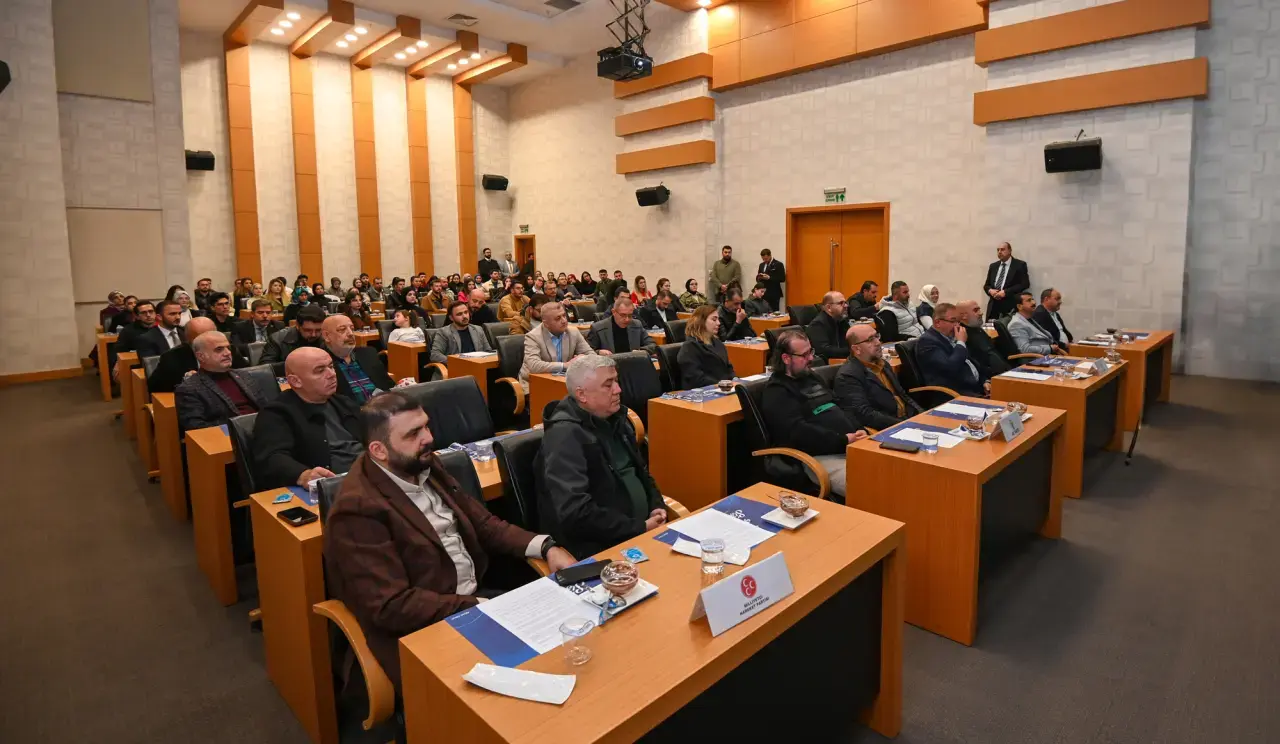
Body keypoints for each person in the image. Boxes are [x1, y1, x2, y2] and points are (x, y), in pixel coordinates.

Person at [323, 392, 575, 690]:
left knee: (571, 645)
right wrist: (480, 606)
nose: (429, 438)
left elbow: (484, 525)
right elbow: (392, 606)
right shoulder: (357, 510)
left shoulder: (423, 465)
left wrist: (546, 546)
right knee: (536, 684)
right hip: (425, 630)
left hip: (474, 602)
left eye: (426, 426)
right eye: (413, 434)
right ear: (379, 450)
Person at [536, 355, 668, 558]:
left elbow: (641, 472)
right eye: (608, 385)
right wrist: (639, 527)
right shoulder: (564, 437)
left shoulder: (616, 419)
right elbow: (576, 513)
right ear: (582, 395)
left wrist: (656, 506)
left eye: (616, 381)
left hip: (642, 531)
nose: (618, 389)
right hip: (602, 547)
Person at [761, 331, 867, 500]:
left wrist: (859, 429)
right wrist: (843, 440)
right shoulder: (777, 391)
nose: (811, 358)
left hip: (850, 446)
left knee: (895, 469)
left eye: (811, 351)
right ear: (786, 358)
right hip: (818, 457)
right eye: (804, 355)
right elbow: (798, 433)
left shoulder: (811, 377)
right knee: (872, 484)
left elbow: (839, 406)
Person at [254, 347, 364, 489]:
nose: (331, 374)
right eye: (320, 371)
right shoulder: (277, 413)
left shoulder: (344, 402)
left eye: (331, 367)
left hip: (367, 474)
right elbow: (272, 458)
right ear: (296, 381)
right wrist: (303, 475)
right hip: (333, 483)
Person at [174, 330, 275, 432]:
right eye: (219, 349)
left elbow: (265, 407)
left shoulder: (244, 375)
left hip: (265, 429)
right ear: (201, 356)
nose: (228, 353)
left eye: (228, 348)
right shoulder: (189, 389)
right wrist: (242, 427)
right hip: (230, 436)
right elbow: (197, 428)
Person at [834, 323, 922, 431]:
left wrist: (922, 414)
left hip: (908, 419)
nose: (878, 342)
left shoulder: (884, 364)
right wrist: (905, 425)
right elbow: (866, 415)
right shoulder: (848, 376)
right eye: (870, 339)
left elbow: (903, 396)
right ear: (856, 349)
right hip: (889, 428)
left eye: (877, 336)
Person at [149, 316, 247, 395]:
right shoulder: (172, 357)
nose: (209, 339)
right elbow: (156, 388)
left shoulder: (229, 349)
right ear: (188, 339)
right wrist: (186, 382)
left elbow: (245, 374)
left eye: (212, 334)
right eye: (202, 337)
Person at [916, 302, 991, 397]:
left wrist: (984, 381)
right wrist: (961, 342)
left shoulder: (951, 337)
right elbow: (951, 367)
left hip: (976, 388)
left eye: (958, 321)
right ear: (937, 322)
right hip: (955, 394)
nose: (957, 326)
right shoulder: (927, 342)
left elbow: (971, 364)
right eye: (953, 321)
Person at [520, 301, 594, 388]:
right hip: (535, 384)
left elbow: (592, 355)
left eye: (564, 315)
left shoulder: (573, 332)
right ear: (546, 324)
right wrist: (565, 365)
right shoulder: (533, 337)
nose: (564, 321)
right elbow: (534, 366)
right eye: (558, 318)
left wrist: (582, 359)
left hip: (564, 382)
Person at [323, 315, 394, 403]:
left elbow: (388, 385)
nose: (350, 333)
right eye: (342, 329)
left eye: (352, 329)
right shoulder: (322, 363)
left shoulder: (368, 353)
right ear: (327, 336)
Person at [678, 305, 736, 388]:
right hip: (705, 390)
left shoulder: (718, 342)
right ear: (701, 321)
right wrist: (723, 384)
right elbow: (696, 378)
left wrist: (734, 379)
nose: (718, 323)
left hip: (724, 388)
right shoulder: (690, 347)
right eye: (714, 319)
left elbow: (728, 367)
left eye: (718, 319)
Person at [956, 300, 1010, 377]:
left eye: (979, 309)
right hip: (989, 377)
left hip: (1005, 371)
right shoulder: (962, 335)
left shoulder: (980, 329)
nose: (981, 313)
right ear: (964, 316)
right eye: (976, 310)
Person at [261, 305, 326, 367]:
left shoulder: (327, 338)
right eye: (308, 330)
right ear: (297, 325)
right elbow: (266, 368)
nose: (313, 334)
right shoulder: (277, 339)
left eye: (318, 330)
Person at [588, 297, 657, 356]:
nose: (627, 319)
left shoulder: (637, 324)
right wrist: (598, 352)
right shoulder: (597, 328)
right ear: (614, 312)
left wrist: (641, 351)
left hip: (633, 363)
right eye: (623, 315)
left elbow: (652, 345)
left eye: (630, 315)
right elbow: (586, 353)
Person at [983, 241, 1030, 320]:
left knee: (1007, 327)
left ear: (1010, 251)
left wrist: (1005, 292)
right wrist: (990, 291)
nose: (999, 252)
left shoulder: (1019, 265)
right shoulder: (993, 266)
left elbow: (1025, 284)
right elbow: (986, 285)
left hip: (1010, 306)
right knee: (990, 327)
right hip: (993, 306)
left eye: (1002, 249)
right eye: (998, 250)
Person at [1008, 292, 1064, 356]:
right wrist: (1050, 348)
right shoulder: (1016, 324)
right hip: (1038, 358)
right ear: (1019, 306)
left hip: (1051, 354)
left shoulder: (1030, 319)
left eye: (1033, 299)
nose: (1034, 302)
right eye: (1029, 300)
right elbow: (1025, 349)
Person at [806, 291, 851, 364]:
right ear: (829, 307)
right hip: (828, 365)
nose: (846, 306)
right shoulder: (818, 324)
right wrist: (852, 351)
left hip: (843, 361)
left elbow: (850, 340)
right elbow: (824, 351)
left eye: (845, 303)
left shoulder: (841, 320)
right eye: (841, 303)